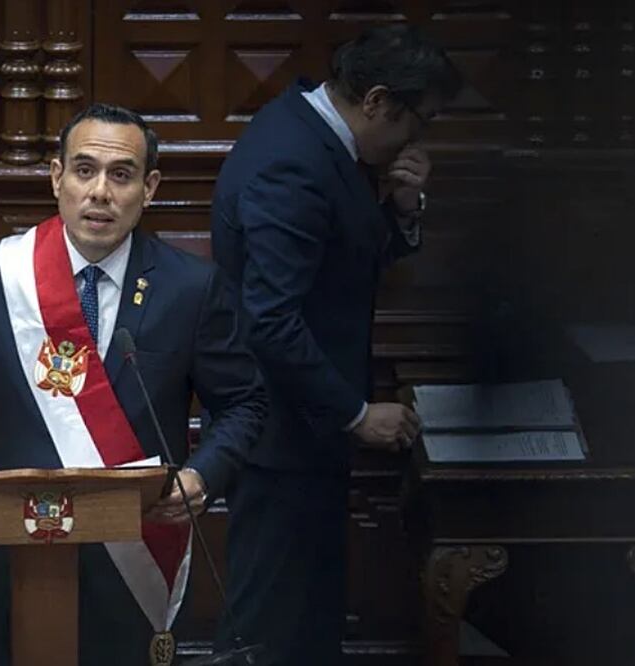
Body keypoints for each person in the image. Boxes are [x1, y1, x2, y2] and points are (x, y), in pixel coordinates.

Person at [0, 103, 267, 666]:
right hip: (10, 551)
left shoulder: (191, 287)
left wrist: (201, 474)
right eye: (84, 170)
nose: (100, 192)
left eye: (121, 175)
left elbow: (242, 403)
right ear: (56, 177)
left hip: (132, 555)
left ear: (150, 187)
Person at [209, 24, 463, 665]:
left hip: (301, 433)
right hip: (280, 438)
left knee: (302, 624)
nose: (417, 139)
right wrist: (355, 413)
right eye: (418, 121)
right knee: (268, 629)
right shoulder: (295, 160)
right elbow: (272, 320)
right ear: (378, 100)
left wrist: (404, 208)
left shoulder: (312, 135)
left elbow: (338, 257)